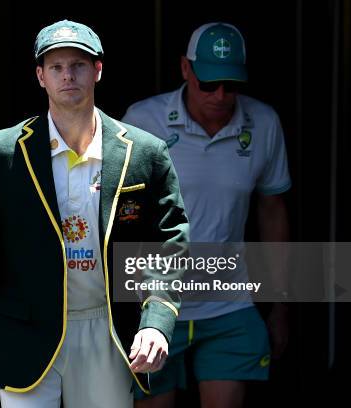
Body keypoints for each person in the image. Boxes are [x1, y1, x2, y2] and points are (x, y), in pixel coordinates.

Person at [0, 19, 189, 407]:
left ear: (98, 70)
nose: (68, 76)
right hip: (26, 334)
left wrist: (157, 324)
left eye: (78, 65)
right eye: (56, 67)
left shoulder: (145, 151)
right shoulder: (2, 153)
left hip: (108, 329)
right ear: (40, 76)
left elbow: (168, 243)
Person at [123, 22, 290, 408]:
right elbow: (115, 209)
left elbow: (273, 211)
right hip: (155, 302)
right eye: (209, 83)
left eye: (231, 85)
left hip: (229, 303)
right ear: (185, 68)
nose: (219, 95)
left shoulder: (262, 123)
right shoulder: (142, 119)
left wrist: (282, 303)